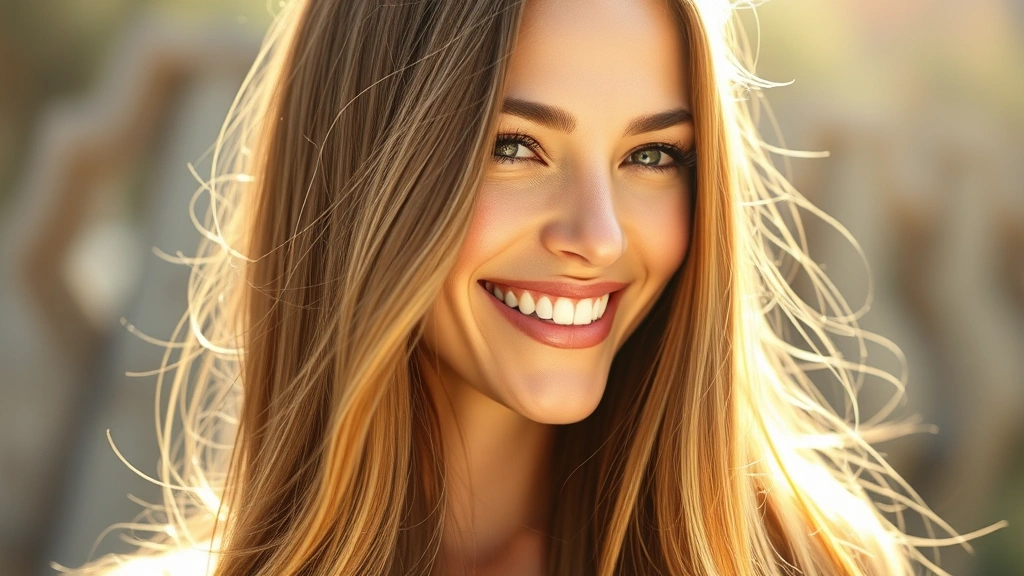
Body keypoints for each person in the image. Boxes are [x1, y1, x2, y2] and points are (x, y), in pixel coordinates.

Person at [60, 0, 976, 574]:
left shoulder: (814, 565)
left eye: (653, 156)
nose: (598, 236)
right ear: (362, 169)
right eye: (516, 146)